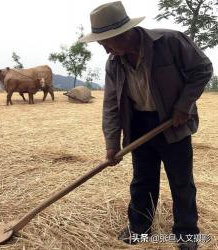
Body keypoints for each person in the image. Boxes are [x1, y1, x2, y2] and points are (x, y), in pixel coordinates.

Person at [79, 2, 213, 250]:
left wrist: (184, 106)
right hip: (139, 125)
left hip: (172, 123)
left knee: (181, 181)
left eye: (105, 41)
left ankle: (187, 234)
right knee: (142, 180)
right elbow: (111, 105)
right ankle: (140, 229)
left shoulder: (169, 42)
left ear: (122, 33)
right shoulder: (114, 63)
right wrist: (112, 144)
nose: (103, 48)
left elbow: (202, 69)